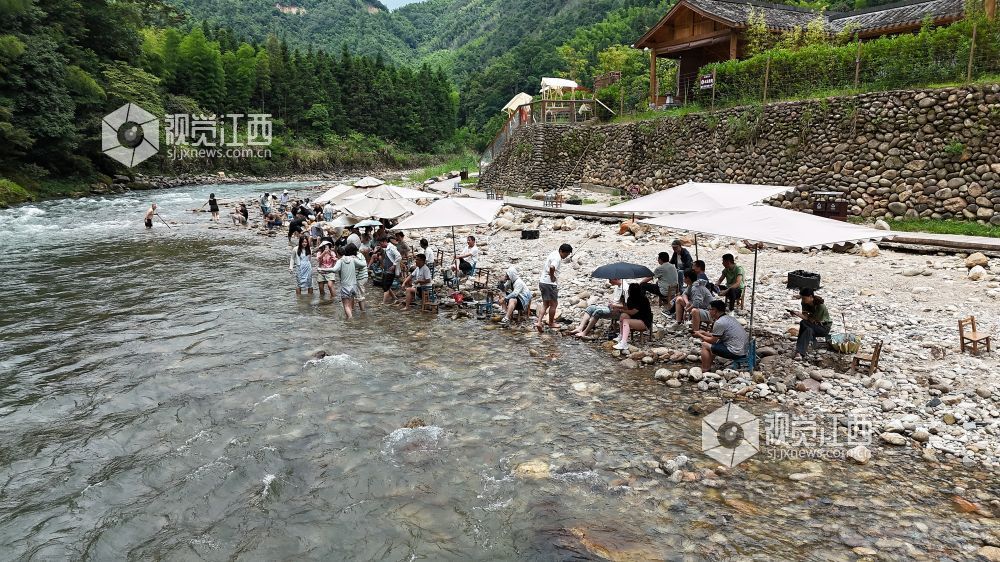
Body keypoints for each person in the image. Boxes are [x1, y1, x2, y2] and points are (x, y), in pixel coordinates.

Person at [695, 300, 748, 371]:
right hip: (742, 349)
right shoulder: (729, 318)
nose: (709, 312)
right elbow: (718, 335)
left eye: (710, 309)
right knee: (712, 344)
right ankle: (708, 366)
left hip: (735, 352)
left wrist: (699, 335)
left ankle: (705, 369)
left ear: (714, 310)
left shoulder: (719, 322)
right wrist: (705, 333)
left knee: (705, 345)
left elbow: (713, 340)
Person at [535, 243, 573, 333]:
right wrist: (552, 276)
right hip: (550, 284)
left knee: (545, 304)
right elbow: (552, 267)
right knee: (554, 304)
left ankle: (539, 322)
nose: (566, 256)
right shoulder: (557, 258)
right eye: (566, 254)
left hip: (543, 282)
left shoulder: (554, 253)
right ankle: (551, 323)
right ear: (561, 251)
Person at [791, 287, 833, 360]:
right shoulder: (804, 303)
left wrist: (798, 314)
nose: (803, 300)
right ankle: (799, 353)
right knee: (808, 330)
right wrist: (797, 313)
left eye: (804, 298)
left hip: (823, 328)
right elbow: (805, 315)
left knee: (803, 323)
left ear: (810, 297)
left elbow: (813, 321)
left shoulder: (820, 306)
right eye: (802, 298)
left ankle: (801, 349)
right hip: (812, 325)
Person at [613, 284, 653, 351]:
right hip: (635, 319)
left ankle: (624, 343)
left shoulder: (643, 299)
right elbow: (628, 308)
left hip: (644, 321)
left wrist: (620, 310)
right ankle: (621, 335)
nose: (628, 291)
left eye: (629, 290)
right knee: (623, 316)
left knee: (626, 321)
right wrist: (623, 303)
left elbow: (633, 312)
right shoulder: (630, 298)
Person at [331, 244, 365, 319]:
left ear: (337, 254)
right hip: (353, 286)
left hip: (346, 287)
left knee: (346, 306)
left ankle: (350, 320)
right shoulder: (352, 259)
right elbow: (363, 264)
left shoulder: (340, 261)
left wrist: (322, 270)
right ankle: (350, 317)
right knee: (350, 305)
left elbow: (334, 270)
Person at [378, 237, 402, 304]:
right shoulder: (386, 248)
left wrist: (394, 265)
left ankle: (383, 302)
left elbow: (399, 256)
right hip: (386, 269)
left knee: (386, 286)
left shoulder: (391, 247)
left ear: (384, 241)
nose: (380, 245)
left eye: (380, 243)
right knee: (384, 285)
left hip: (391, 270)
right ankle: (394, 298)